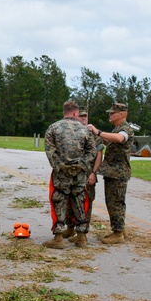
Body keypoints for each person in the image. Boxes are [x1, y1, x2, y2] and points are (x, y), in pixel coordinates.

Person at [42, 100, 92, 249]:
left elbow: (50, 151)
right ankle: (81, 237)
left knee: (59, 201)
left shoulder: (54, 128)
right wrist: (81, 166)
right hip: (80, 174)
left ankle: (58, 237)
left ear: (64, 112)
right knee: (79, 201)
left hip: (61, 173)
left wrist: (60, 167)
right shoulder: (85, 130)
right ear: (76, 113)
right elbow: (91, 151)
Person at [87, 102, 134, 245]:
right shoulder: (117, 129)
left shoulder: (125, 129)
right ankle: (120, 229)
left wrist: (99, 132)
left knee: (116, 202)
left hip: (118, 173)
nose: (110, 115)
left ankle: (118, 233)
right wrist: (103, 139)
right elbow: (114, 142)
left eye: (112, 113)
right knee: (112, 201)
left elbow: (120, 139)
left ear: (121, 114)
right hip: (112, 172)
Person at [64, 108, 103, 237]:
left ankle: (82, 233)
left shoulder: (92, 134)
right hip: (71, 174)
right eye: (81, 116)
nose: (84, 118)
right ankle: (70, 228)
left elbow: (99, 155)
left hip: (87, 174)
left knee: (85, 202)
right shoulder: (69, 132)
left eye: (86, 116)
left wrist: (94, 173)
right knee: (69, 202)